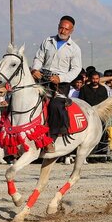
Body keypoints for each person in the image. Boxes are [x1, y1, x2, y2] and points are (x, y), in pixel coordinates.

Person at [31, 15, 83, 152]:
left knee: (55, 105)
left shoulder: (75, 48)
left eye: (66, 29)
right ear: (58, 26)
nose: (63, 30)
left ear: (71, 30)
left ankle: (51, 139)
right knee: (27, 98)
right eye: (61, 27)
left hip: (61, 83)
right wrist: (35, 69)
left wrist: (61, 78)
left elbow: (76, 69)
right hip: (43, 78)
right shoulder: (47, 41)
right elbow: (38, 57)